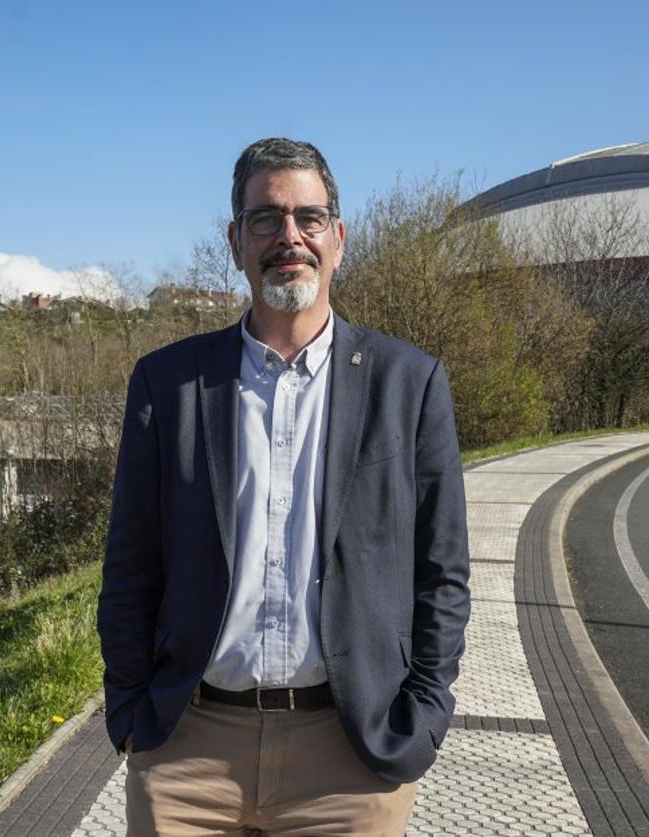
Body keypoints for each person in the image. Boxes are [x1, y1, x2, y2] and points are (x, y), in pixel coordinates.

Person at [97, 137, 471, 835]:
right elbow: (130, 565)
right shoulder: (168, 384)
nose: (288, 236)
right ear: (235, 240)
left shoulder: (409, 383)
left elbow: (441, 573)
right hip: (189, 751)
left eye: (308, 217)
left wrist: (421, 719)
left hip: (351, 759)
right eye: (265, 218)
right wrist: (132, 717)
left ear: (339, 237)